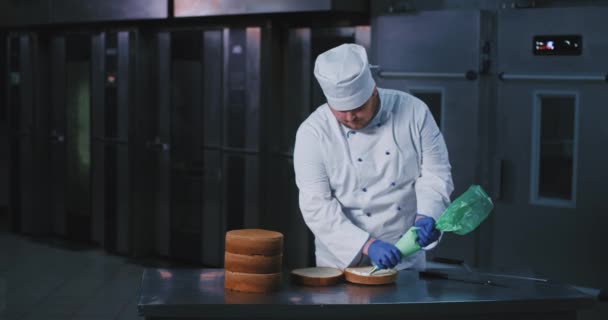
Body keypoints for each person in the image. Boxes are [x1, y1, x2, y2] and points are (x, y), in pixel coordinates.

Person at [293, 43, 454, 271]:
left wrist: (428, 215)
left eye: (358, 107)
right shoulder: (313, 133)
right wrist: (367, 245)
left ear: (373, 91)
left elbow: (435, 172)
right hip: (342, 262)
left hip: (405, 256)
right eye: (340, 109)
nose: (350, 117)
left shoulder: (414, 112)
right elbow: (316, 205)